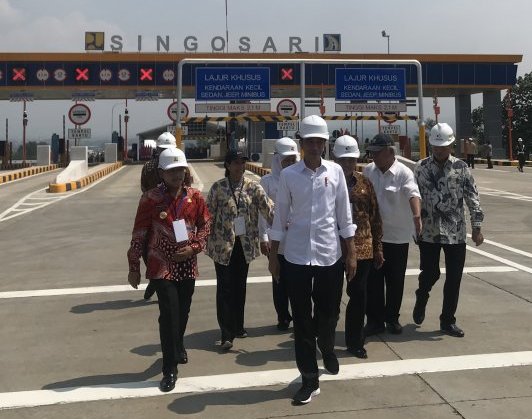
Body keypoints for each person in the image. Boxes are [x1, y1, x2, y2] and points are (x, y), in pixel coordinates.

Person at [268, 115, 357, 405]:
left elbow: (344, 215)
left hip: (330, 256)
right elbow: (280, 217)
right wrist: (274, 256)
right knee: (302, 320)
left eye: (320, 141)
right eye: (310, 141)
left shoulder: (336, 173)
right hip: (296, 258)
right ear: (302, 144)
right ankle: (309, 378)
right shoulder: (289, 176)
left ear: (325, 143)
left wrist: (351, 251)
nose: (316, 146)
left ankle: (327, 346)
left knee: (329, 314)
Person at [127, 148, 212, 392]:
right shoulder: (150, 199)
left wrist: (195, 247)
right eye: (172, 171)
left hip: (187, 264)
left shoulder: (195, 197)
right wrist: (134, 266)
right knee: (169, 314)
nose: (177, 175)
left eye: (180, 170)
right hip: (161, 265)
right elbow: (139, 234)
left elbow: (205, 224)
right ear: (162, 173)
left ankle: (178, 344)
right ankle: (169, 368)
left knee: (183, 311)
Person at [413, 123, 484, 338]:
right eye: (435, 146)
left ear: (451, 145)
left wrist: (477, 226)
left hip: (456, 232)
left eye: (443, 146)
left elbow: (472, 197)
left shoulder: (462, 168)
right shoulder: (421, 167)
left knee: (454, 278)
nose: (439, 150)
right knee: (430, 273)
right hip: (429, 231)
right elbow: (413, 197)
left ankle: (447, 320)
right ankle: (422, 295)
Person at [206, 150, 274, 351]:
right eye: (235, 163)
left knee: (240, 286)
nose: (239, 166)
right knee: (225, 287)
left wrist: (290, 221)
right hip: (222, 246)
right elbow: (208, 215)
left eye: (242, 163)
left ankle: (238, 325)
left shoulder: (253, 188)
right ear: (227, 165)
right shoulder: (218, 188)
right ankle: (226, 333)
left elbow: (269, 209)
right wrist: (198, 240)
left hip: (244, 246)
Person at [363, 134, 422, 336]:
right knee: (373, 283)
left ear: (390, 152)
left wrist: (416, 215)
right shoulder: (368, 171)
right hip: (373, 237)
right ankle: (374, 321)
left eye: (377, 153)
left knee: (395, 281)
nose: (373, 157)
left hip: (396, 237)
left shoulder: (403, 173)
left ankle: (392, 319)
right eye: (372, 153)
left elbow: (413, 193)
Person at [333, 135, 383, 359]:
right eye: (343, 160)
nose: (347, 164)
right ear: (335, 158)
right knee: (330, 297)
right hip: (332, 248)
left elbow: (375, 217)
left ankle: (355, 341)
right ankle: (324, 335)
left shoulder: (365, 183)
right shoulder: (327, 182)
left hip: (362, 247)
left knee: (359, 295)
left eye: (351, 160)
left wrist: (378, 248)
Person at [140, 132, 193, 300]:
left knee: (177, 248)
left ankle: (162, 281)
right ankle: (158, 280)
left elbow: (143, 187)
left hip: (172, 213)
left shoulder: (149, 166)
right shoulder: (150, 167)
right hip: (163, 214)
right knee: (150, 248)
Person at [259, 137, 299, 331]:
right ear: (277, 160)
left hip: (296, 240)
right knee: (279, 280)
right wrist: (264, 237)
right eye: (286, 160)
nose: (290, 163)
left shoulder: (301, 178)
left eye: (293, 159)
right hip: (276, 241)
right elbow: (261, 214)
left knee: (297, 281)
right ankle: (283, 316)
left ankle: (299, 314)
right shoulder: (266, 182)